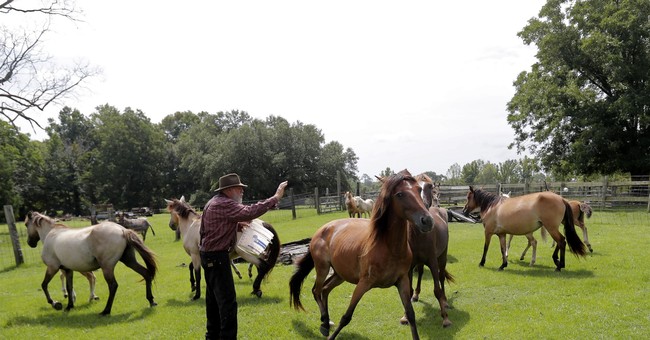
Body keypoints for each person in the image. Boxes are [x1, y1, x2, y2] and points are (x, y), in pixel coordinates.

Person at [199, 173, 288, 340]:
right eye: (240, 189)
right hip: (217, 259)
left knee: (213, 303)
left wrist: (236, 225)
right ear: (230, 189)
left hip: (208, 257)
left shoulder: (213, 202)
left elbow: (210, 228)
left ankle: (211, 337)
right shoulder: (224, 203)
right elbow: (250, 211)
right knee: (227, 305)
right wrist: (275, 197)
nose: (242, 191)